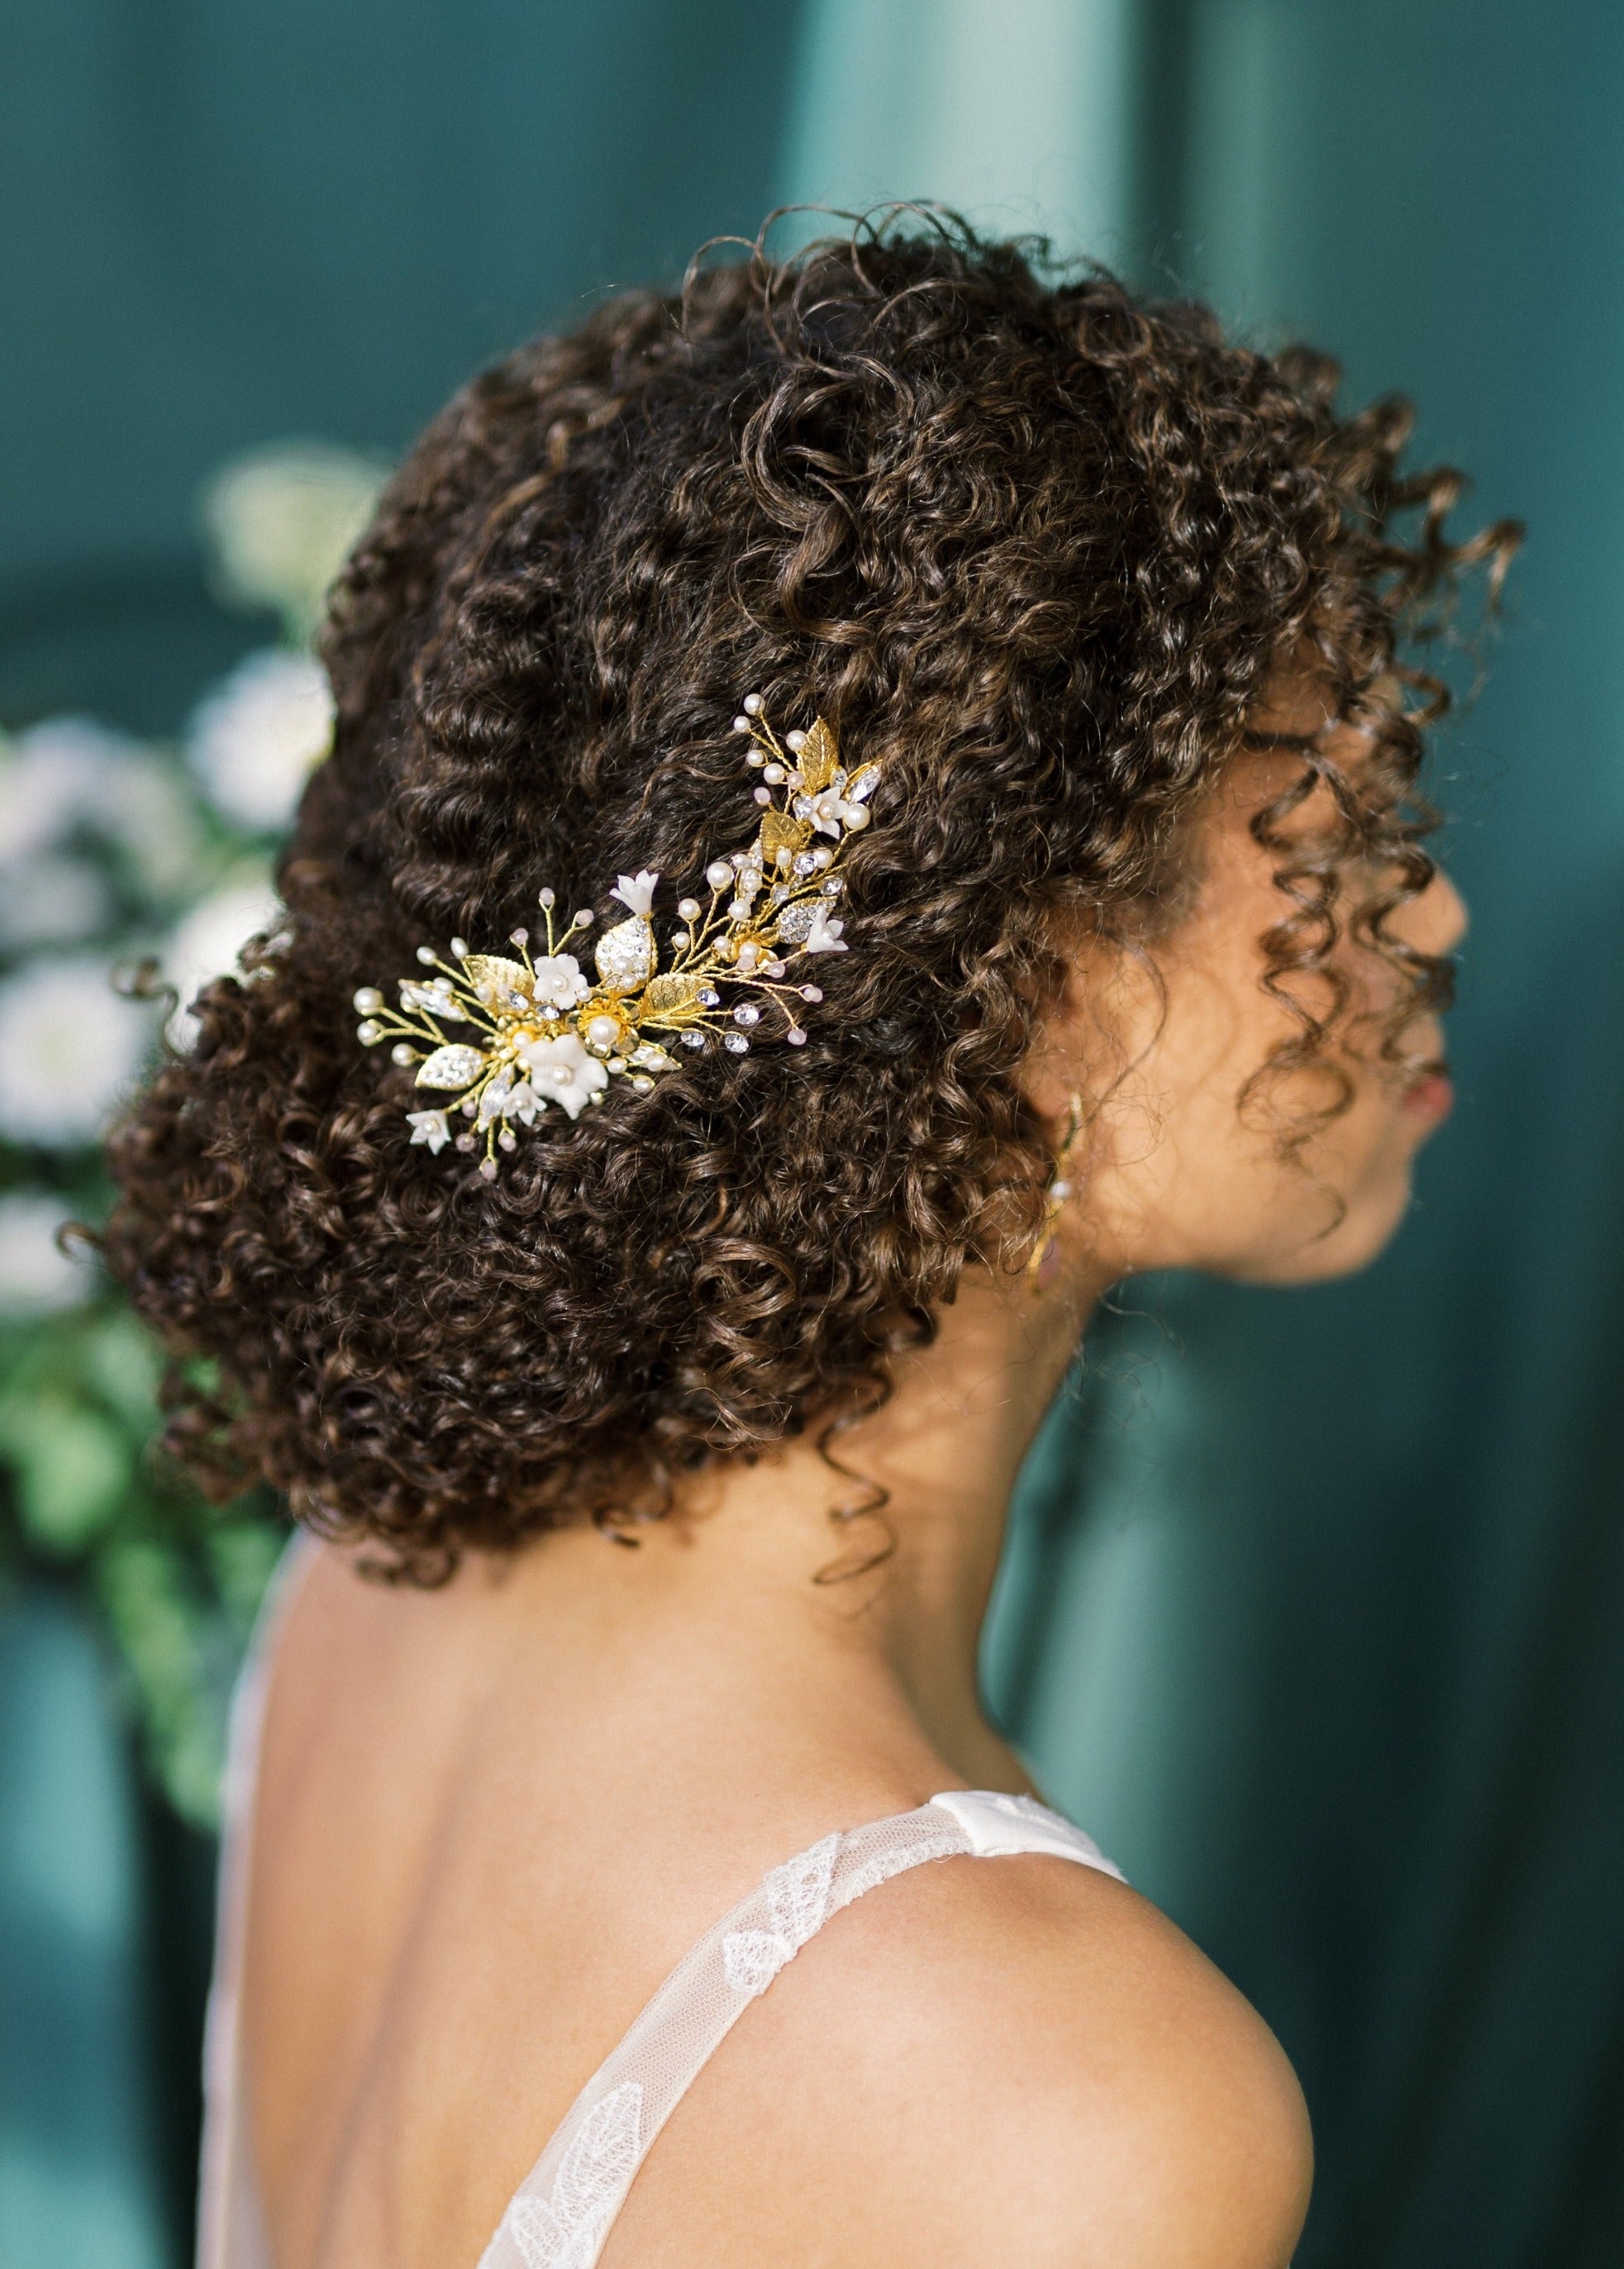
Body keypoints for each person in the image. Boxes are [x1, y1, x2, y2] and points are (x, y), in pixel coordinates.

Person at [105, 215, 1516, 2269]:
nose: (1434, 922)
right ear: (1014, 972)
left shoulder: (371, 1587)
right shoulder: (1066, 2103)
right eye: (1344, 828)